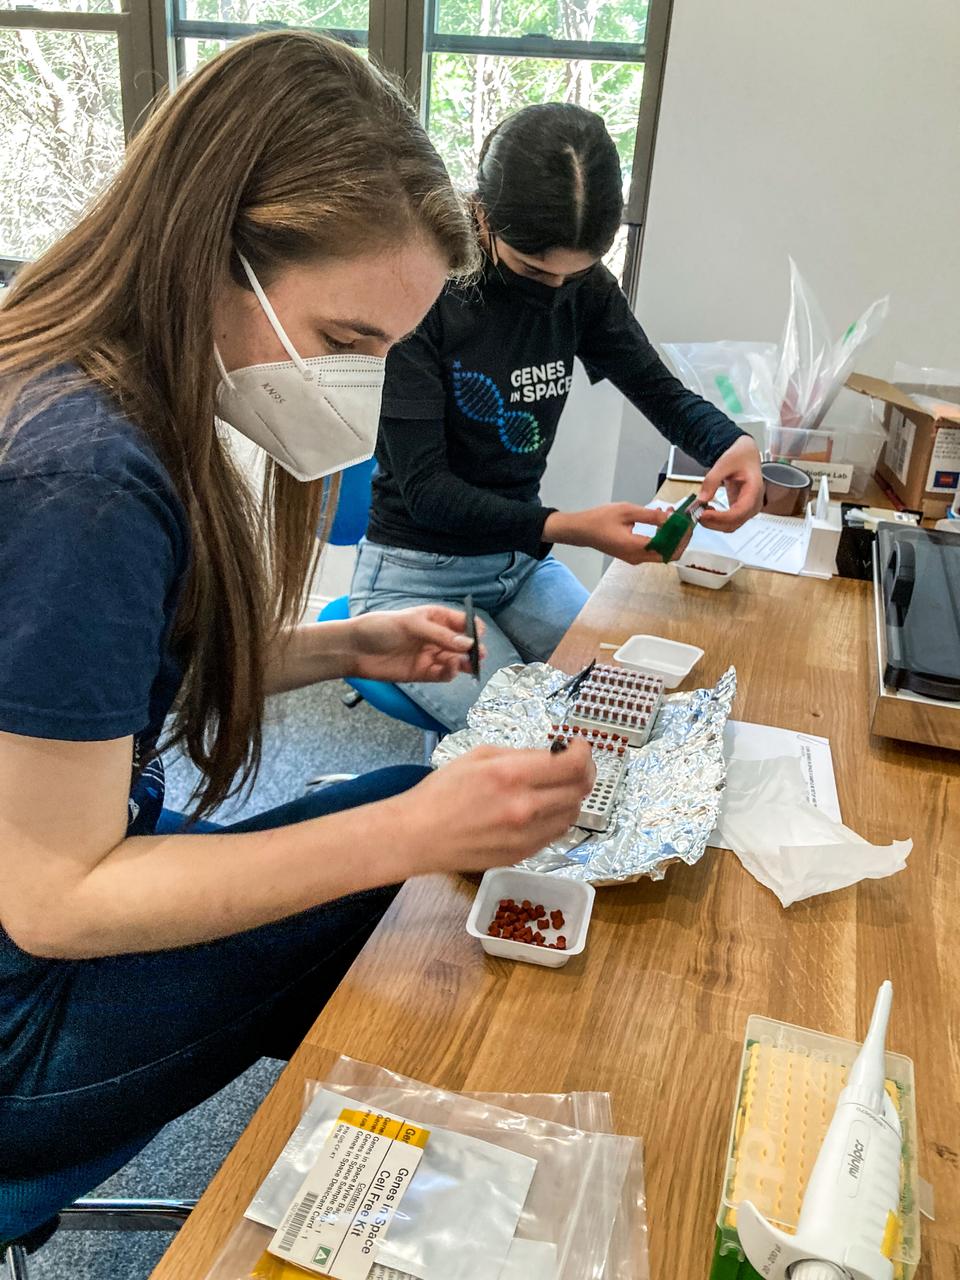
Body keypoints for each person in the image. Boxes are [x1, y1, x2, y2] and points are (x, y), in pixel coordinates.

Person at [0, 34, 594, 1227]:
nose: (361, 386)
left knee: (395, 814)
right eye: (344, 342)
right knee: (402, 861)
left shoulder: (92, 392)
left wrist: (341, 646)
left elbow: (84, 690)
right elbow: (55, 898)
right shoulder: (87, 480)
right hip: (22, 1027)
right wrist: (410, 830)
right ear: (214, 249)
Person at [350, 102, 764, 730]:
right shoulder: (426, 296)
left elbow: (656, 389)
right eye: (534, 270)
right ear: (482, 216)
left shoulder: (582, 290)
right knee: (533, 745)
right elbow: (429, 493)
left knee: (625, 713)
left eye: (576, 273)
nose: (554, 292)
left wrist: (729, 442)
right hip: (416, 578)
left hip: (520, 566)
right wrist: (570, 527)